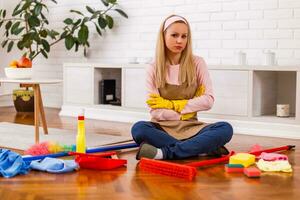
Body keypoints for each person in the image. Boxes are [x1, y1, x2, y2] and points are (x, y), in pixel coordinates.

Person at [131, 15, 233, 160]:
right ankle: (200, 148)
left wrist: (172, 105)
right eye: (174, 35)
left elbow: (208, 100)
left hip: (191, 126)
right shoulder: (153, 67)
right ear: (163, 36)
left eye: (184, 36)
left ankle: (164, 153)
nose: (180, 40)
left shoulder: (197, 63)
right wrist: (186, 112)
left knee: (225, 128)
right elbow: (156, 111)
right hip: (162, 128)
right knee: (139, 128)